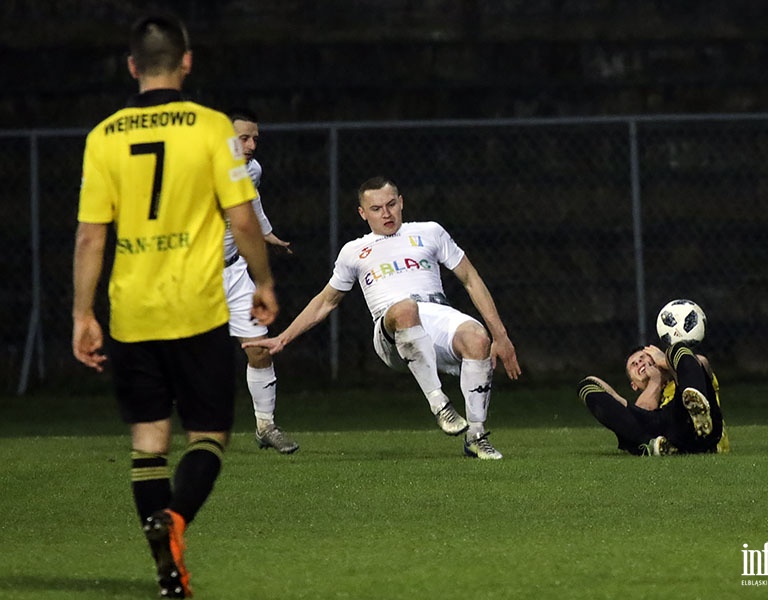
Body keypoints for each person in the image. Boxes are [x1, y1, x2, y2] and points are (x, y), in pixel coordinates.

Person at [72, 13, 278, 598]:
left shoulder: (104, 136)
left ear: (133, 66)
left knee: (148, 438)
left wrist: (82, 315)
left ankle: (168, 569)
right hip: (197, 308)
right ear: (186, 62)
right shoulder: (212, 129)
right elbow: (242, 218)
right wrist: (263, 282)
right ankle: (176, 520)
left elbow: (91, 235)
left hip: (132, 311)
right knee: (209, 434)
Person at [245, 176, 521, 459]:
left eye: (391, 205)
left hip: (436, 313)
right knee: (405, 308)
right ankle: (439, 404)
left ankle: (476, 435)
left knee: (477, 339)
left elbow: (470, 278)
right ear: (362, 213)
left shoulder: (430, 231)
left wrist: (500, 336)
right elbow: (325, 302)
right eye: (376, 208)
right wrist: (283, 338)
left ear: (401, 203)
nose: (386, 213)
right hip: (389, 329)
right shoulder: (354, 251)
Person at [224, 107, 297, 454]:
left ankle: (266, 425)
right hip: (191, 275)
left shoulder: (251, 170)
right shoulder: (197, 169)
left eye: (255, 138)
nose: (252, 144)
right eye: (244, 138)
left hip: (234, 270)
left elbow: (251, 204)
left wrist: (267, 234)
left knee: (259, 348)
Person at [577, 342, 729, 456]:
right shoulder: (651, 404)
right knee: (588, 385)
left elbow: (700, 362)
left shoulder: (684, 372)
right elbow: (640, 415)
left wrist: (665, 359)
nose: (639, 363)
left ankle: (699, 414)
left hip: (704, 433)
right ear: (634, 385)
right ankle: (652, 445)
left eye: (643, 358)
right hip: (669, 434)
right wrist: (655, 381)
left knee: (678, 349)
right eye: (633, 365)